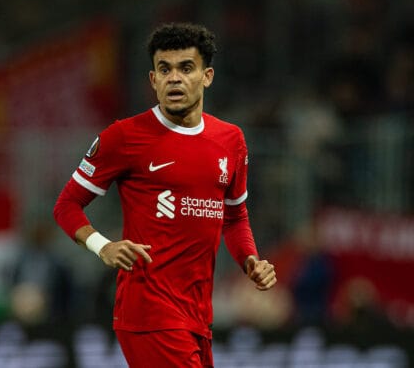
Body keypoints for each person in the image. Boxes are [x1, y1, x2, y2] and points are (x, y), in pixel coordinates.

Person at [53, 22, 277, 368]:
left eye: (186, 68)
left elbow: (234, 217)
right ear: (153, 80)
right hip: (149, 313)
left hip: (198, 315)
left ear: (207, 76)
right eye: (165, 69)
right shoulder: (124, 137)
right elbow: (66, 205)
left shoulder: (231, 140)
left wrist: (250, 260)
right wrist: (103, 246)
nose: (175, 78)